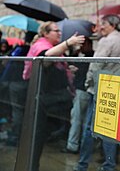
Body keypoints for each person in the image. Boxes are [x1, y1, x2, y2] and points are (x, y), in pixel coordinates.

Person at [22, 22, 85, 171]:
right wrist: (68, 43)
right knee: (35, 140)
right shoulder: (41, 46)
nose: (59, 33)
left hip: (49, 100)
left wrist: (68, 68)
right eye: (56, 31)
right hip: (41, 99)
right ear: (45, 33)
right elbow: (46, 57)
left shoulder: (54, 49)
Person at [74, 15, 120, 171]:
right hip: (116, 89)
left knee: (89, 128)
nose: (100, 27)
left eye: (103, 24)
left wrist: (88, 82)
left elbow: (96, 65)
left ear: (112, 25)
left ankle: (82, 164)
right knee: (109, 129)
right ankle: (109, 165)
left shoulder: (106, 41)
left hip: (99, 89)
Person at [0, 31, 36, 146]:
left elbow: (10, 61)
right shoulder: (27, 50)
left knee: (17, 111)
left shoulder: (21, 49)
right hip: (23, 83)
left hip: (16, 82)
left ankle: (15, 135)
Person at [61, 38, 94, 154]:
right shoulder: (88, 56)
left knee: (76, 118)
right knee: (84, 120)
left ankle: (72, 145)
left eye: (83, 45)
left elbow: (74, 65)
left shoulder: (88, 57)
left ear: (89, 44)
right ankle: (81, 145)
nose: (81, 47)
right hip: (86, 91)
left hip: (82, 90)